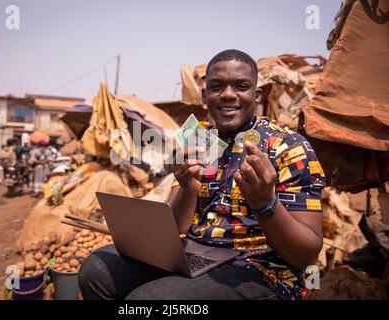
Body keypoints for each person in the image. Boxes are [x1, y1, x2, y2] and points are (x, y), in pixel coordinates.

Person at [78, 49, 326, 300]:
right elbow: (176, 227)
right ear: (205, 95)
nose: (228, 95)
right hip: (196, 254)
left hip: (261, 266)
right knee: (96, 270)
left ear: (257, 94)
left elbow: (306, 255)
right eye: (217, 86)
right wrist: (187, 189)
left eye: (241, 86)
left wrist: (266, 204)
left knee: (148, 302)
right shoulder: (198, 140)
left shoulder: (288, 146)